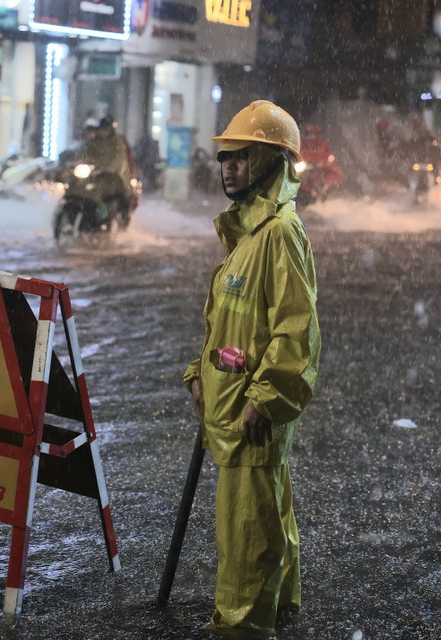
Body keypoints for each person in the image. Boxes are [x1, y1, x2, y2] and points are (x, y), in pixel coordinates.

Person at [182, 100, 322, 638]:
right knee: (268, 511)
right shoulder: (248, 233)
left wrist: (266, 398)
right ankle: (279, 604)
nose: (229, 167)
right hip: (236, 408)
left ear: (270, 162)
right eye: (225, 158)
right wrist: (199, 372)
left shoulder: (279, 234)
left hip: (251, 415)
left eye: (242, 157)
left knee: (246, 533)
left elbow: (296, 330)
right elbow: (230, 322)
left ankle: (241, 626)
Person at [77, 115, 139, 219]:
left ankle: (104, 212)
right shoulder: (96, 142)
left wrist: (109, 168)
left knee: (103, 192)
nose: (103, 132)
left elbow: (119, 158)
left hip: (113, 176)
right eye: (102, 129)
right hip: (96, 172)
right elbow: (87, 154)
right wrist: (76, 162)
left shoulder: (117, 142)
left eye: (106, 129)